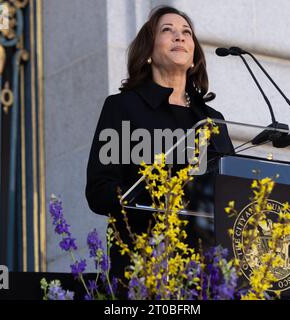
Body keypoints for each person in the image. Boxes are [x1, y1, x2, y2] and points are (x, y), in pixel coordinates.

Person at [85, 6, 234, 279]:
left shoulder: (212, 121)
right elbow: (99, 191)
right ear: (148, 53)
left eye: (186, 33)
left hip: (208, 271)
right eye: (168, 30)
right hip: (144, 264)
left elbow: (233, 191)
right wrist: (153, 191)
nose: (180, 37)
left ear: (194, 59)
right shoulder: (123, 108)